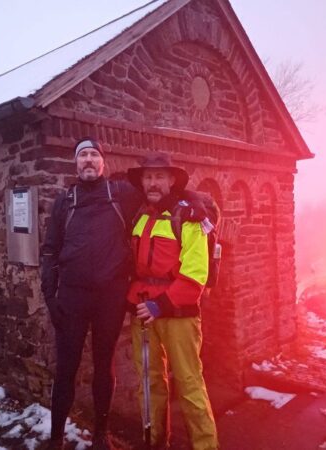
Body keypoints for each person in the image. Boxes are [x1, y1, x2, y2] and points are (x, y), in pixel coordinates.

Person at [40, 138, 142, 450]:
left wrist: (194, 202)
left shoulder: (120, 193)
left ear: (103, 163)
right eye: (82, 155)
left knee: (104, 363)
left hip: (110, 296)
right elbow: (50, 250)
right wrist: (50, 296)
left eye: (93, 155)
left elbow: (159, 197)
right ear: (75, 163)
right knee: (66, 366)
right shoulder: (64, 200)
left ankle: (101, 434)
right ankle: (56, 437)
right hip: (72, 296)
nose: (88, 160)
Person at [126, 153, 218, 450]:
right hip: (143, 313)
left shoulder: (188, 217)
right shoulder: (140, 215)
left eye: (159, 176)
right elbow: (136, 269)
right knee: (149, 383)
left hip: (178, 314)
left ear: (171, 180)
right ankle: (154, 442)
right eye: (148, 177)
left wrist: (161, 305)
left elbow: (195, 274)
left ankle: (206, 446)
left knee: (189, 383)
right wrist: (133, 302)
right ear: (142, 181)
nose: (153, 182)